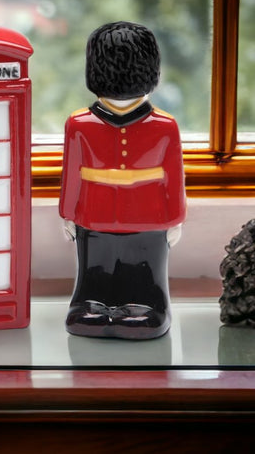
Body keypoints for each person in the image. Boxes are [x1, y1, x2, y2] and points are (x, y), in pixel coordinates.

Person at [59, 21, 186, 339]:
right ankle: (91, 305)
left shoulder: (165, 126)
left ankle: (148, 306)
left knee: (145, 270)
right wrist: (68, 214)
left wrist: (175, 219)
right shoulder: (79, 124)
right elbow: (71, 174)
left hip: (148, 218)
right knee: (94, 271)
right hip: (94, 215)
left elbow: (174, 178)